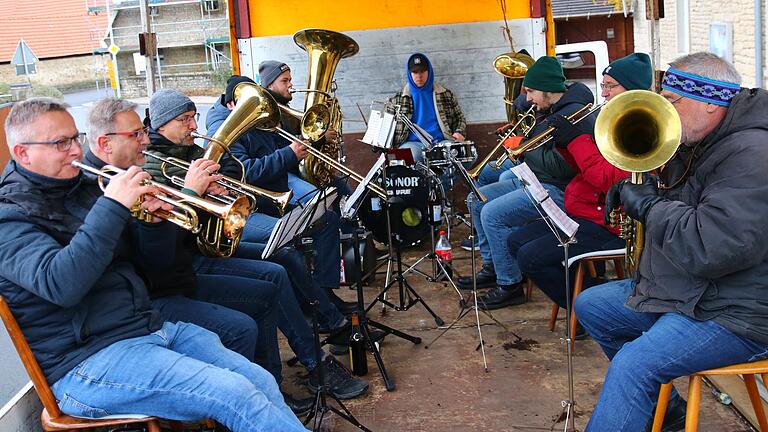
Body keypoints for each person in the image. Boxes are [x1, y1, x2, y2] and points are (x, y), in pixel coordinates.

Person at [0, 97, 306, 431]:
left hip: (146, 328)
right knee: (236, 393)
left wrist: (155, 222)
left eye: (74, 138)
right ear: (22, 153)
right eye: (61, 143)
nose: (75, 150)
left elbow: (154, 270)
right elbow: (62, 284)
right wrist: (113, 206)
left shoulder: (83, 188)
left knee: (257, 379)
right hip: (86, 362)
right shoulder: (10, 218)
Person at [575, 52, 768, 431]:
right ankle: (665, 411)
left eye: (672, 102)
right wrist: (637, 188)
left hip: (738, 312)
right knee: (592, 305)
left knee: (634, 363)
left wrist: (648, 206)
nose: (664, 112)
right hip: (696, 291)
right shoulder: (700, 140)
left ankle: (643, 397)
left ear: (710, 103)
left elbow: (711, 247)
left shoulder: (752, 155)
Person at [143, 90, 369, 401]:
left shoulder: (189, 150)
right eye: (184, 119)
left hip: (205, 247)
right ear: (162, 124)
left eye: (194, 116)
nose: (193, 125)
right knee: (273, 274)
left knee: (282, 256)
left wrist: (219, 182)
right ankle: (307, 365)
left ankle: (322, 342)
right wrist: (195, 192)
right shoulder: (155, 164)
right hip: (188, 262)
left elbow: (237, 171)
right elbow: (173, 229)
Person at [510, 53, 652, 318]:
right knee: (516, 240)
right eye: (604, 85)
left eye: (611, 86)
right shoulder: (612, 119)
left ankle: (593, 307)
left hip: (608, 221)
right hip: (586, 209)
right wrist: (565, 145)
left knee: (531, 257)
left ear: (632, 89)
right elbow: (587, 172)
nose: (605, 93)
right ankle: (590, 295)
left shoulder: (641, 127)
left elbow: (608, 180)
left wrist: (576, 140)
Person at [455, 56, 594, 310]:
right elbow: (539, 144)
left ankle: (510, 285)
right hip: (536, 179)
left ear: (548, 89)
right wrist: (522, 139)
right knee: (476, 199)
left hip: (558, 190)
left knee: (491, 214)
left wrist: (522, 149)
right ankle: (494, 267)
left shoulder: (573, 116)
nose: (527, 97)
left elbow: (562, 169)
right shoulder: (549, 107)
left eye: (530, 91)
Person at [206, 72, 353, 312]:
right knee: (287, 243)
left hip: (274, 199)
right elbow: (246, 172)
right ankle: (314, 305)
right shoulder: (226, 132)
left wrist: (307, 143)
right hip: (252, 207)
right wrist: (289, 154)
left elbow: (285, 157)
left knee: (327, 218)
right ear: (232, 105)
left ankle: (325, 291)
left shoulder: (260, 124)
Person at [389, 52, 468, 163]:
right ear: (409, 73)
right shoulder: (397, 100)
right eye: (415, 72)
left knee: (458, 155)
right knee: (412, 157)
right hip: (412, 143)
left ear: (429, 71)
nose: (419, 76)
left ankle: (443, 181)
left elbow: (460, 118)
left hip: (440, 141)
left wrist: (459, 132)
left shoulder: (445, 94)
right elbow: (387, 127)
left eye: (422, 71)